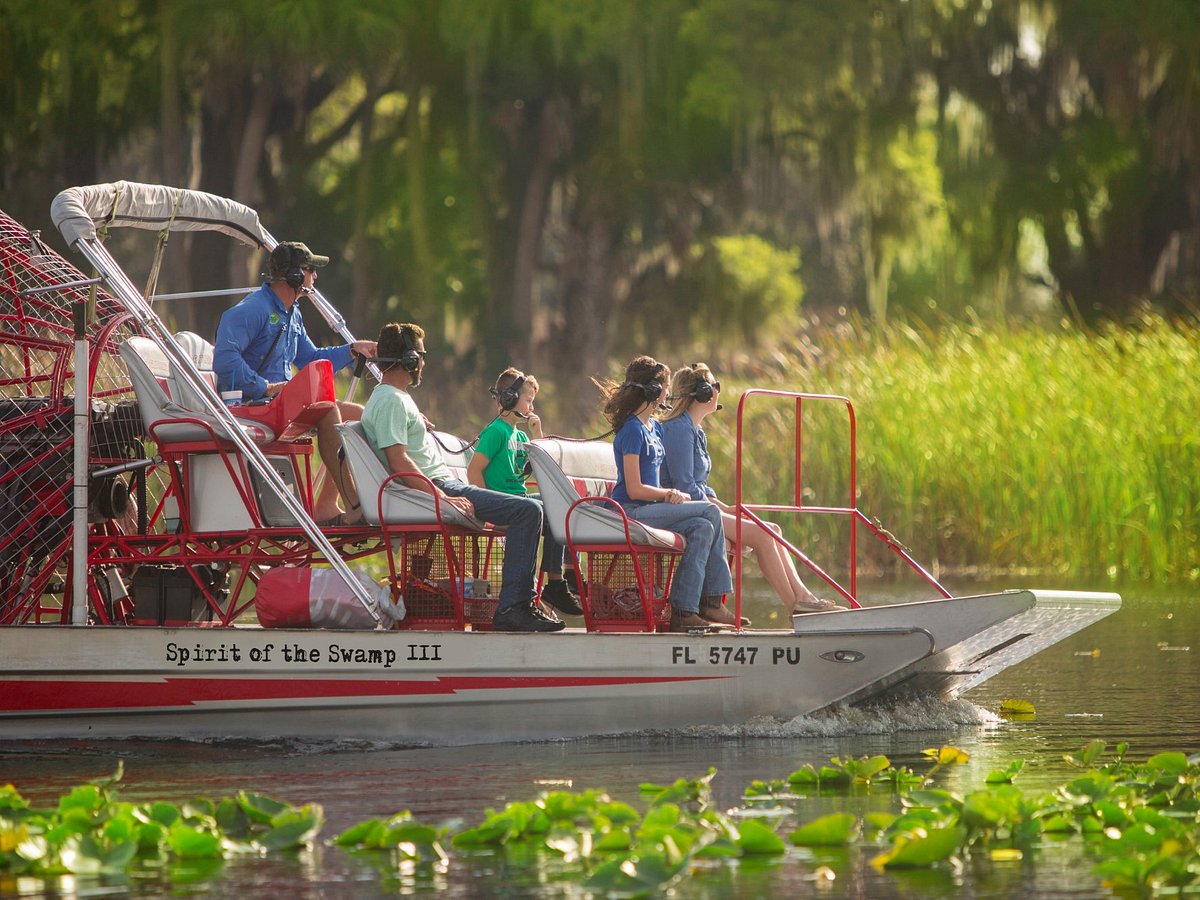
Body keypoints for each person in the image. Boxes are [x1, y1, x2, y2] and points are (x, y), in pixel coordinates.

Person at [360, 323, 562, 633]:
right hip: (438, 487)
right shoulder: (390, 401)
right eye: (421, 356)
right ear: (410, 359)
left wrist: (417, 423)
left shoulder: (393, 398)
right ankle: (513, 607)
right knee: (528, 510)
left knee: (549, 506)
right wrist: (442, 497)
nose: (423, 364)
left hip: (442, 485)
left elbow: (403, 446)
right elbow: (398, 461)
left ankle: (552, 588)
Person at [213, 241, 376, 526]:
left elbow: (309, 358)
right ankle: (355, 505)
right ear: (294, 275)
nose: (315, 277)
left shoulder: (292, 313)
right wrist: (265, 386)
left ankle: (327, 505)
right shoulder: (254, 309)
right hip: (251, 405)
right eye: (310, 269)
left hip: (280, 406)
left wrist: (352, 349)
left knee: (360, 415)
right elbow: (225, 361)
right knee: (327, 411)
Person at [660, 363, 839, 617]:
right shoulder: (678, 429)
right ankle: (796, 607)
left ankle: (802, 597)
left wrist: (725, 507)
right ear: (702, 392)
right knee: (764, 535)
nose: (718, 391)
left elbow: (700, 485)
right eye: (716, 386)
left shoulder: (696, 431)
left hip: (702, 506)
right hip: (685, 509)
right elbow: (684, 485)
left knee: (774, 529)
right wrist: (720, 509)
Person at [595, 356, 734, 632]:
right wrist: (667, 493)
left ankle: (683, 610)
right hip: (632, 510)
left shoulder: (655, 428)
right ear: (652, 391)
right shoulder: (632, 431)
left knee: (702, 527)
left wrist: (669, 495)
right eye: (664, 387)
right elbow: (634, 489)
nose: (668, 393)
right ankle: (712, 599)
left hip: (650, 509)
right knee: (708, 511)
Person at [466, 368, 584, 617]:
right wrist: (488, 505)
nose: (532, 406)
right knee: (548, 508)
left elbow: (542, 468)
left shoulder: (519, 434)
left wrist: (536, 434)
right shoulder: (496, 432)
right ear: (508, 398)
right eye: (528, 399)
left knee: (562, 505)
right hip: (504, 504)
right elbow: (474, 471)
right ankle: (554, 582)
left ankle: (558, 579)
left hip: (521, 500)